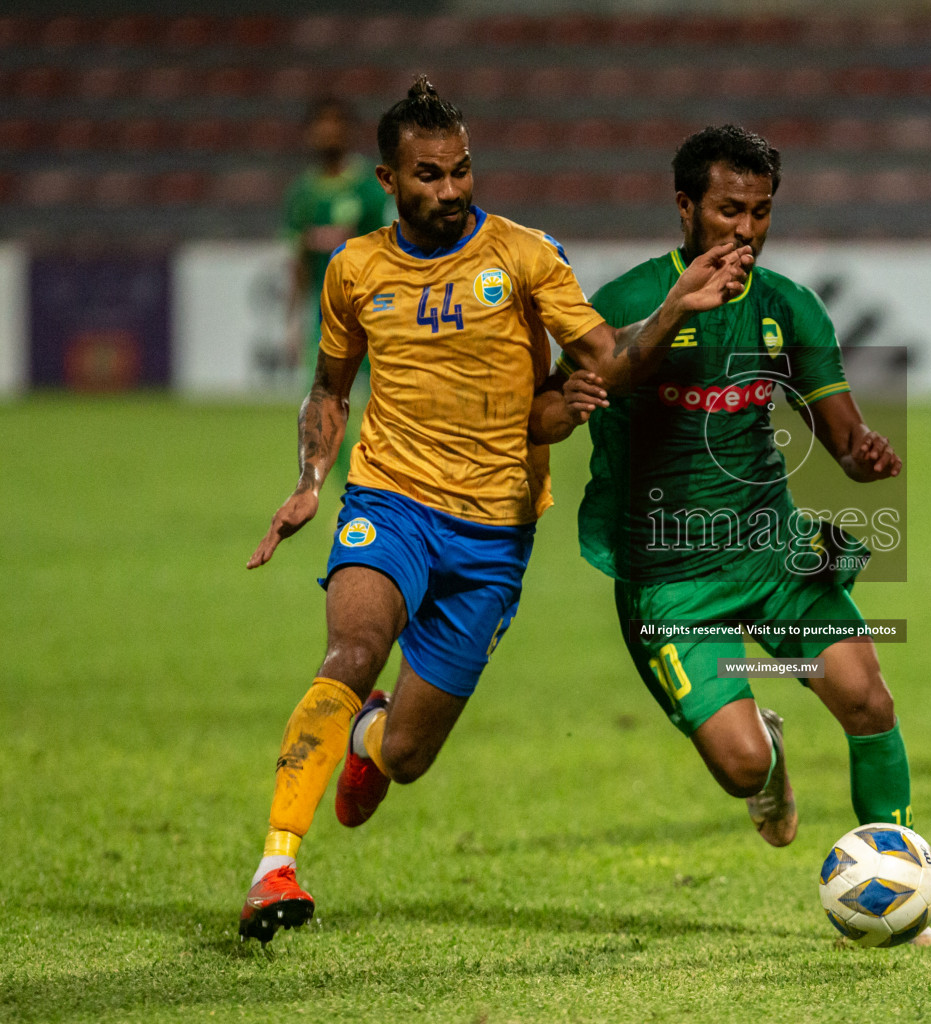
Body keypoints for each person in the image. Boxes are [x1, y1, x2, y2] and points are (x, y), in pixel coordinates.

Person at [237, 79, 752, 944]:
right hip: (389, 498)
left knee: (406, 754)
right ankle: (275, 866)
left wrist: (671, 310)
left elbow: (607, 359)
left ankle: (364, 744)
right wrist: (310, 479)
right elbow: (328, 391)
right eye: (430, 175)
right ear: (389, 180)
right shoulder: (355, 270)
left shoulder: (522, 256)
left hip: (492, 533)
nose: (450, 190)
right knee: (354, 647)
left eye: (462, 170)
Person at [565, 124, 931, 947]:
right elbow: (554, 408)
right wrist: (673, 316)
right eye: (728, 211)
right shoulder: (625, 302)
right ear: (685, 208)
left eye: (761, 212)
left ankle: (903, 895)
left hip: (774, 554)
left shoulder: (789, 307)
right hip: (669, 579)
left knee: (867, 698)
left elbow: (841, 437)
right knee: (738, 766)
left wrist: (863, 453)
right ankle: (767, 766)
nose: (745, 230)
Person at [283, 97, 395, 481]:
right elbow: (298, 260)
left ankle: (388, 482)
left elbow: (391, 246)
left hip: (372, 309)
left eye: (335, 124)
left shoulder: (369, 187)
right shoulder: (302, 194)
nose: (327, 132)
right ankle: (354, 484)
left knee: (379, 404)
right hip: (322, 314)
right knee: (320, 407)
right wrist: (292, 320)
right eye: (320, 124)